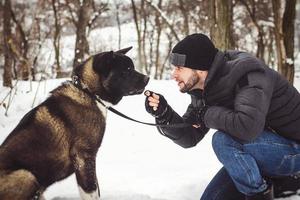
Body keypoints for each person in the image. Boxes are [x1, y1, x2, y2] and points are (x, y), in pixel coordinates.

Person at [144, 33, 300, 200]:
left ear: (200, 68)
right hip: (261, 153)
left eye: (179, 68)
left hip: (293, 150)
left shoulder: (249, 74)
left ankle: (261, 194)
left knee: (223, 140)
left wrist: (205, 114)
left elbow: (247, 127)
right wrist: (164, 115)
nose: (174, 74)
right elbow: (190, 136)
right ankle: (279, 182)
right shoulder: (203, 89)